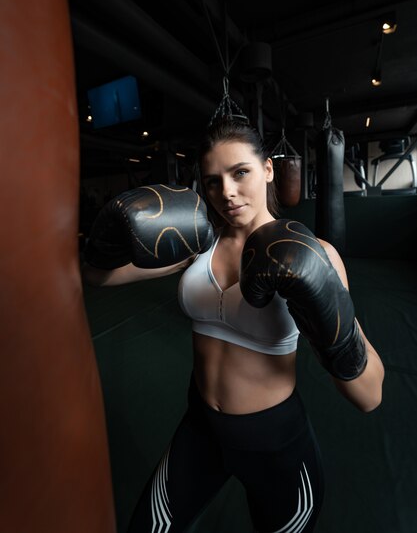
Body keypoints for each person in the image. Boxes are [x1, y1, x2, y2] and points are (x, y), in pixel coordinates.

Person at [83, 117, 385, 533]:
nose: (226, 192)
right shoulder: (196, 243)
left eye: (240, 172)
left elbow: (369, 396)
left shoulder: (317, 254)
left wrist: (335, 331)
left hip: (275, 443)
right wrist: (107, 237)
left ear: (268, 170)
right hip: (200, 429)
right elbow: (98, 277)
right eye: (212, 181)